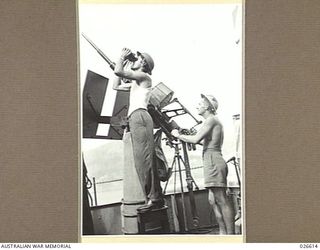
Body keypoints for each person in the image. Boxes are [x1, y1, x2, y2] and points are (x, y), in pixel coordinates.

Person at [171, 94, 235, 234]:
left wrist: (178, 135)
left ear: (207, 107)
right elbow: (203, 142)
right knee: (213, 200)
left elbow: (194, 140)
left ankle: (231, 236)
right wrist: (187, 137)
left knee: (221, 199)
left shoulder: (211, 120)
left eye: (199, 104)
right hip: (210, 160)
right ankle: (223, 232)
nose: (197, 106)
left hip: (213, 161)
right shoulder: (211, 121)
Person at [113, 48, 164, 211]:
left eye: (138, 58)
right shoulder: (136, 82)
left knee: (145, 159)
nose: (135, 60)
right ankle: (151, 197)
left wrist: (121, 59)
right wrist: (122, 64)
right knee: (140, 161)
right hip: (135, 118)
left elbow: (119, 72)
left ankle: (154, 198)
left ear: (143, 63)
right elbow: (116, 86)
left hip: (140, 116)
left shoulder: (144, 77)